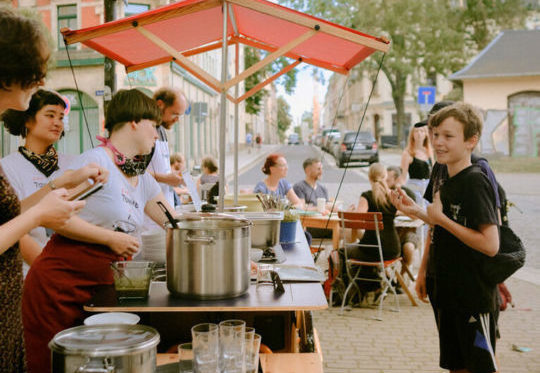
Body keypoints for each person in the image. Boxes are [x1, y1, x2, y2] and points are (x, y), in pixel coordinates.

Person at [22, 89, 175, 373]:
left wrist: (238, 261)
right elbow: (51, 217)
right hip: (57, 289)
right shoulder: (95, 162)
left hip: (101, 293)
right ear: (134, 122)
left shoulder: (141, 178)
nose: (156, 136)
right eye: (153, 127)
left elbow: (177, 225)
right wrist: (109, 238)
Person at [0, 8, 106, 372]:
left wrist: (64, 189)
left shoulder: (64, 164)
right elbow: (20, 225)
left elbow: (12, 217)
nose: (41, 77)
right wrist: (41, 213)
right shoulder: (8, 165)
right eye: (35, 69)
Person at [394, 103, 500, 373]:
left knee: (479, 367)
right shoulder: (443, 173)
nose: (438, 142)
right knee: (456, 366)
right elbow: (444, 221)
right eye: (436, 134)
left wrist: (441, 220)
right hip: (447, 288)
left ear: (470, 141)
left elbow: (491, 244)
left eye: (448, 136)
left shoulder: (476, 180)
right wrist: (416, 211)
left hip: (472, 295)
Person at [1, 89, 75, 276]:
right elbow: (13, 226)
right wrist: (50, 271)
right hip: (31, 274)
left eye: (60, 117)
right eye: (50, 115)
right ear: (27, 119)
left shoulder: (74, 165)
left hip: (72, 267)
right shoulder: (8, 167)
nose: (57, 123)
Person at [146, 87, 188, 208]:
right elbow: (133, 172)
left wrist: (174, 176)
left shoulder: (162, 130)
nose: (177, 120)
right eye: (174, 114)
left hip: (165, 209)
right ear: (160, 105)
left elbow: (158, 167)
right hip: (149, 218)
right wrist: (165, 178)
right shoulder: (147, 131)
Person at [386, 166, 419, 277]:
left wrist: (398, 211)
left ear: (397, 179)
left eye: (388, 180)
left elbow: (416, 215)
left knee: (408, 248)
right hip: (390, 232)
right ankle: (386, 279)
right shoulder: (383, 194)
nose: (385, 183)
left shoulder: (407, 193)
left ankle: (401, 276)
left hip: (408, 231)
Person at [398, 121, 434, 203]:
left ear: (425, 134)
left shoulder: (429, 151)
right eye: (416, 131)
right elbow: (402, 177)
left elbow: (433, 172)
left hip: (428, 188)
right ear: (412, 135)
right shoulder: (408, 153)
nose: (419, 134)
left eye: (422, 131)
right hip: (414, 188)